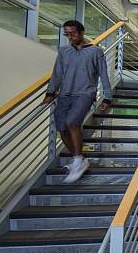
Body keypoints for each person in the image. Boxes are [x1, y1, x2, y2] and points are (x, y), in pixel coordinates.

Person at [42, 20, 112, 183]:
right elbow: (57, 74)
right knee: (61, 127)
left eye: (73, 33)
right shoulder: (64, 51)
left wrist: (107, 97)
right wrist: (50, 92)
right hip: (65, 94)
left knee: (72, 122)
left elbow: (103, 74)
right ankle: (78, 159)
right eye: (67, 34)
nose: (70, 37)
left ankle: (79, 160)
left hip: (85, 94)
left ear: (81, 32)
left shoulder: (96, 52)